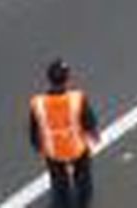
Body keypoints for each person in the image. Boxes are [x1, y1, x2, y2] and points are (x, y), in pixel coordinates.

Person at [29, 59, 100, 208]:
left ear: (48, 79)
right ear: (68, 79)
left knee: (59, 184)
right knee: (83, 181)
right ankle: (82, 204)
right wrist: (94, 135)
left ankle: (62, 204)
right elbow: (89, 122)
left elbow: (34, 129)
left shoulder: (38, 102)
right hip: (77, 149)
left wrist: (38, 146)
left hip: (53, 152)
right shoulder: (77, 98)